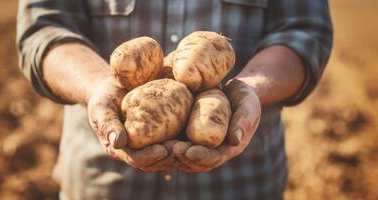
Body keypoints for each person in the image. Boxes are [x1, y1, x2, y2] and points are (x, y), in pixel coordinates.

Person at [17, 0, 333, 199]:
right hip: (102, 185)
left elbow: (305, 32)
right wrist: (97, 85)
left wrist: (250, 88)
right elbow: (44, 27)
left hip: (241, 186)